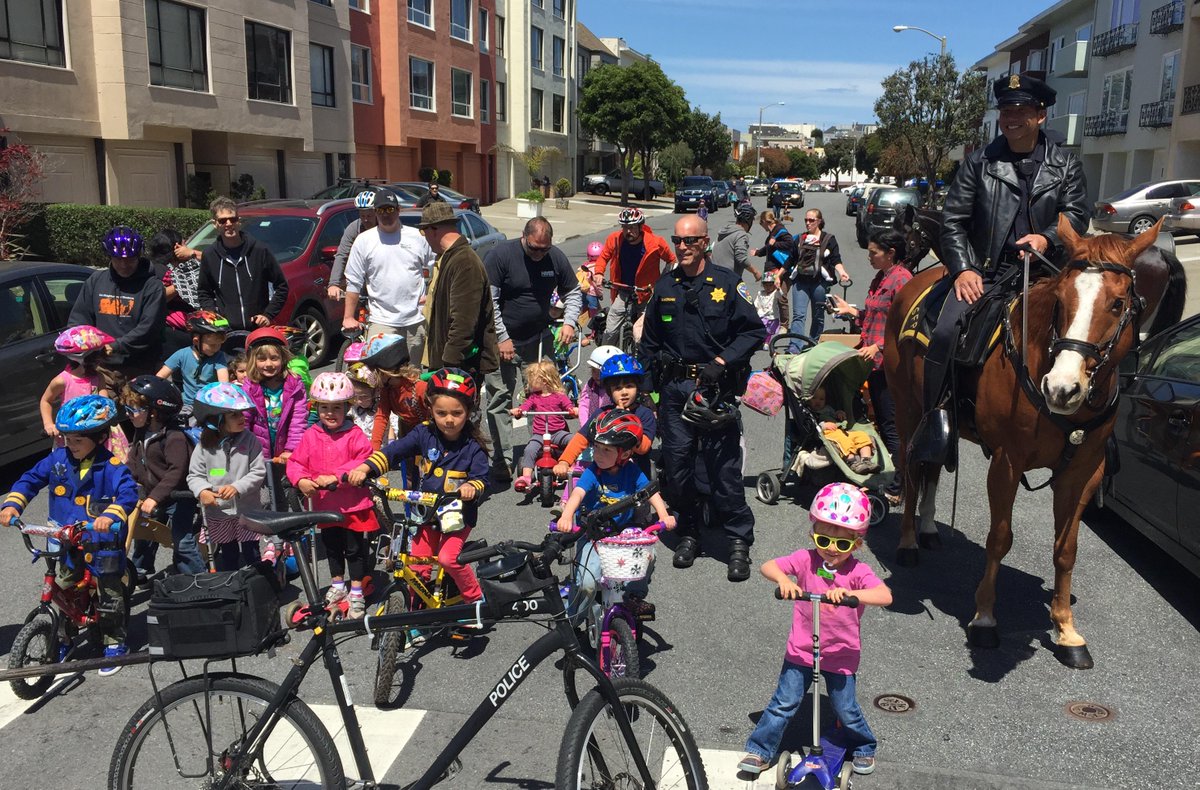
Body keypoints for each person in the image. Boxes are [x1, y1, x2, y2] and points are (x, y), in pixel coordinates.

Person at [913, 72, 1091, 467]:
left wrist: (1047, 238)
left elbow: (1077, 215)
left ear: (1040, 115)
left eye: (1021, 110)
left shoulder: (1065, 166)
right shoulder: (979, 162)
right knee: (944, 332)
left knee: (1100, 331)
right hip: (988, 275)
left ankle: (1099, 429)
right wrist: (962, 269)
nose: (1011, 117)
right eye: (1006, 110)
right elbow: (953, 221)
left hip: (1048, 276)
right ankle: (938, 422)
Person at [640, 214, 766, 581]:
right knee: (677, 471)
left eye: (691, 241)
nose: (683, 247)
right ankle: (690, 532)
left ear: (705, 242)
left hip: (714, 390)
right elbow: (648, 345)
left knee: (723, 470)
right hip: (675, 393)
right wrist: (648, 394)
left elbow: (753, 332)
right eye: (678, 241)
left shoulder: (726, 284)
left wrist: (721, 362)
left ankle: (738, 541)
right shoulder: (665, 286)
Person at [737, 483, 892, 778]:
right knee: (784, 703)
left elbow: (885, 595)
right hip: (801, 650)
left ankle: (864, 746)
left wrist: (854, 595)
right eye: (824, 539)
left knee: (845, 708)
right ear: (813, 534)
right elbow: (769, 566)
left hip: (841, 655)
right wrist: (785, 581)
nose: (832, 549)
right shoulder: (807, 559)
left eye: (843, 544)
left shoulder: (857, 572)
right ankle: (760, 751)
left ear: (857, 544)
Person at [0, 395, 139, 675]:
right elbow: (31, 479)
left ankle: (114, 641)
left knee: (108, 590)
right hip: (65, 538)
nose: (70, 445)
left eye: (77, 440)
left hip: (101, 541)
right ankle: (63, 636)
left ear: (99, 438)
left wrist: (110, 515)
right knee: (63, 588)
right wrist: (13, 503)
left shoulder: (111, 465)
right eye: (67, 439)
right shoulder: (58, 460)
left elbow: (128, 493)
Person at [347, 368, 489, 614]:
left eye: (457, 413)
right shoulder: (424, 433)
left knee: (447, 559)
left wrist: (470, 487)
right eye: (441, 412)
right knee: (416, 566)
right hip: (426, 513)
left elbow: (481, 479)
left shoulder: (472, 447)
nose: (449, 419)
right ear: (431, 409)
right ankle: (415, 613)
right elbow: (395, 451)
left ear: (469, 412)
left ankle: (475, 602)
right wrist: (365, 468)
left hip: (457, 516)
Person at [484, 217, 582, 481]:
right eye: (534, 248)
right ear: (524, 238)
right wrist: (502, 337)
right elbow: (489, 302)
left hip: (538, 338)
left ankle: (541, 448)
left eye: (544, 249)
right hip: (501, 339)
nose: (539, 254)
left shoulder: (555, 258)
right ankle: (502, 459)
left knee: (546, 395)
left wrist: (570, 322)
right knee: (499, 399)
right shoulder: (501, 256)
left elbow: (573, 292)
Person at [555, 410, 675, 617]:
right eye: (596, 448)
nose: (598, 455)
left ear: (625, 454)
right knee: (587, 584)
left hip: (623, 533)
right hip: (592, 533)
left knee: (648, 555)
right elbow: (577, 493)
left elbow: (650, 493)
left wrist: (663, 515)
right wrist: (566, 515)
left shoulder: (632, 471)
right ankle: (573, 618)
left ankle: (634, 596)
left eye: (606, 451)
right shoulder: (593, 472)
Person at [287, 372, 379, 619]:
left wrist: (336, 476)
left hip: (353, 504)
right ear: (316, 407)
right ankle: (338, 586)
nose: (330, 413)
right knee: (332, 547)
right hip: (326, 506)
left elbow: (363, 460)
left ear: (347, 407)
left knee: (355, 549)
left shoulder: (355, 434)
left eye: (336, 408)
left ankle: (357, 590)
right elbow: (296, 462)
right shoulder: (311, 435)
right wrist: (301, 479)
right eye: (324, 407)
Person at [829, 229, 912, 503]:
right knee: (878, 421)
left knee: (891, 424)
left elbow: (908, 327)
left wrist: (879, 346)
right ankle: (886, 474)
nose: (869, 257)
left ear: (891, 253)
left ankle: (898, 485)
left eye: (874, 253)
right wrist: (851, 311)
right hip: (872, 364)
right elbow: (875, 317)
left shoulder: (902, 280)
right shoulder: (881, 278)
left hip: (889, 365)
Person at [122, 376, 205, 579]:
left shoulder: (174, 437)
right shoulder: (141, 432)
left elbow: (176, 472)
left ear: (154, 412)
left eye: (133, 410)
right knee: (143, 531)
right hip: (152, 493)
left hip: (179, 495)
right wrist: (122, 479)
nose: (128, 414)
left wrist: (155, 497)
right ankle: (141, 568)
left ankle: (198, 577)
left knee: (181, 538)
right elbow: (133, 460)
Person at [343, 189, 435, 364]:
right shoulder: (364, 241)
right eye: (381, 210)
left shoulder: (417, 237)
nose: (386, 214)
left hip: (415, 321)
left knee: (412, 377)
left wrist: (430, 294)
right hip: (381, 322)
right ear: (375, 212)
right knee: (381, 377)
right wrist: (348, 317)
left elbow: (435, 268)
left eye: (390, 210)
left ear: (398, 210)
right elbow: (354, 282)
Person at [68, 226, 167, 379]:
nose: (123, 265)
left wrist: (115, 346)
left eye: (130, 260)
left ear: (138, 256)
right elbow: (80, 319)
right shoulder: (96, 281)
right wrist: (80, 343)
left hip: (140, 367)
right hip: (101, 367)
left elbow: (149, 328)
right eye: (118, 259)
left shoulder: (152, 286)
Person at [188, 382, 266, 571]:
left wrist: (237, 487)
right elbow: (194, 476)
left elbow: (258, 472)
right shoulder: (204, 446)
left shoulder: (250, 440)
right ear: (215, 420)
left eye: (241, 413)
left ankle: (259, 584)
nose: (242, 418)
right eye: (234, 415)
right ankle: (232, 586)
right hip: (219, 512)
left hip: (247, 509)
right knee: (228, 553)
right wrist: (202, 491)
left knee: (252, 553)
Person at [417, 201, 500, 376]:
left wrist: (449, 364)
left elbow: (464, 321)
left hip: (457, 367)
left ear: (433, 230)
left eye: (423, 232)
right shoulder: (448, 258)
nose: (424, 237)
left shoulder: (464, 262)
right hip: (445, 363)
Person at [555, 353, 657, 480]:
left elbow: (644, 448)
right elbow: (581, 438)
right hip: (604, 476)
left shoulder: (644, 414)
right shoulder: (602, 413)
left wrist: (624, 420)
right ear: (609, 391)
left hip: (635, 477)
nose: (624, 392)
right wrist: (564, 461)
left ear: (637, 388)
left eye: (629, 386)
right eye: (617, 388)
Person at [196, 196, 290, 332]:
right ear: (215, 224)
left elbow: (281, 286)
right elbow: (204, 292)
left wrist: (268, 315)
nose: (228, 224)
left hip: (257, 330)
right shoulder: (210, 255)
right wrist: (214, 318)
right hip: (227, 332)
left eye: (232, 219)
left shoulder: (259, 250)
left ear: (238, 221)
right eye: (223, 221)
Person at [240, 328, 309, 512]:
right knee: (262, 498)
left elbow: (298, 419)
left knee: (286, 495)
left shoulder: (294, 384)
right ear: (253, 361)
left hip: (284, 451)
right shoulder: (249, 386)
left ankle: (286, 536)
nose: (269, 364)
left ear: (284, 358)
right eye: (262, 359)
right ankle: (268, 535)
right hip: (257, 452)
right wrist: (246, 451)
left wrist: (291, 449)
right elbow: (244, 421)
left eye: (274, 358)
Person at [39, 325, 126, 463]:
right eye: (97, 358)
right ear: (83, 358)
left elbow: (104, 399)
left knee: (107, 464)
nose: (99, 362)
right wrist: (49, 424)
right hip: (73, 435)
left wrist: (107, 412)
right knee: (72, 467)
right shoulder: (62, 380)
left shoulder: (98, 377)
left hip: (97, 431)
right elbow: (46, 401)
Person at [593, 208, 676, 349]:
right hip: (623, 289)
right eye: (624, 227)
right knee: (611, 328)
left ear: (641, 226)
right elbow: (603, 256)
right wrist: (599, 273)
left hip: (646, 293)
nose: (627, 231)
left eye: (631, 227)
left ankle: (643, 359)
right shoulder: (615, 239)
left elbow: (672, 260)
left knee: (643, 332)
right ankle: (604, 360)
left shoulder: (655, 243)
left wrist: (662, 281)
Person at [511, 359, 577, 492]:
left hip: (558, 432)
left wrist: (573, 410)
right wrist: (519, 412)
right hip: (540, 434)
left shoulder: (559, 396)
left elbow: (568, 406)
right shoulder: (534, 397)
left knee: (574, 441)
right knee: (530, 449)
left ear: (544, 380)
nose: (529, 383)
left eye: (532, 380)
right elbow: (525, 407)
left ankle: (574, 467)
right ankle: (526, 477)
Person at [786, 208, 851, 341]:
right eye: (806, 220)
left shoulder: (828, 239)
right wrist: (779, 275)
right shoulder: (799, 238)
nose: (808, 223)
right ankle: (795, 347)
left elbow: (836, 259)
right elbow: (791, 259)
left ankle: (812, 342)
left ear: (819, 221)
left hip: (820, 283)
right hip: (800, 282)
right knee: (798, 315)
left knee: (818, 315)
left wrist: (842, 272)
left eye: (811, 220)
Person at [360, 333, 429, 452]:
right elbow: (382, 416)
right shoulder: (387, 389)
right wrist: (374, 449)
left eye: (373, 370)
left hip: (428, 434)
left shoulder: (420, 388)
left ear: (387, 369)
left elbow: (436, 416)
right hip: (407, 433)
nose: (370, 375)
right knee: (408, 469)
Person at [157, 310, 231, 414]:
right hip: (188, 404)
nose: (217, 349)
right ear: (196, 341)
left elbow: (224, 383)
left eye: (219, 344)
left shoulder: (219, 357)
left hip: (211, 403)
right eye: (213, 345)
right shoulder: (182, 354)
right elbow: (160, 376)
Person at [806, 386, 878, 473]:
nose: (818, 401)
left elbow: (835, 414)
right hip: (827, 433)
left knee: (861, 435)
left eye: (822, 399)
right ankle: (852, 462)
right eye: (814, 398)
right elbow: (810, 426)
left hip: (842, 430)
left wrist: (839, 413)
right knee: (842, 440)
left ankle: (866, 460)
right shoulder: (809, 412)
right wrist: (823, 425)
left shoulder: (828, 408)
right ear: (808, 400)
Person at [328, 189, 380, 301]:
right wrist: (333, 284)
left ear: (377, 213)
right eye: (362, 216)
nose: (366, 220)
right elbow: (342, 254)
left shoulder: (385, 228)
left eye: (369, 216)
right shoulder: (353, 228)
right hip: (362, 279)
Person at [712, 203, 761, 283]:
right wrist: (755, 272)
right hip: (728, 279)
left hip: (715, 275)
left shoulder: (726, 231)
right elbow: (741, 258)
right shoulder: (741, 235)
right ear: (749, 220)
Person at [576, 344, 620, 430]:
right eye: (593, 370)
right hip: (591, 427)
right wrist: (585, 425)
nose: (596, 375)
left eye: (600, 371)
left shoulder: (616, 389)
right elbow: (584, 404)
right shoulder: (590, 385)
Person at [347, 364, 379, 438]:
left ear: (375, 392)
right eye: (355, 396)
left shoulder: (381, 410)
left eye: (364, 396)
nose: (359, 401)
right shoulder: (353, 408)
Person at [754, 272, 782, 347]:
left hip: (772, 316)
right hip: (762, 315)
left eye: (770, 285)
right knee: (762, 329)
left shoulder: (775, 293)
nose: (768, 287)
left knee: (769, 331)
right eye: (766, 285)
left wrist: (778, 288)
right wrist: (755, 310)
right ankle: (761, 341)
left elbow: (780, 296)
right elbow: (756, 303)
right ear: (763, 285)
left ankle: (766, 342)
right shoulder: (760, 293)